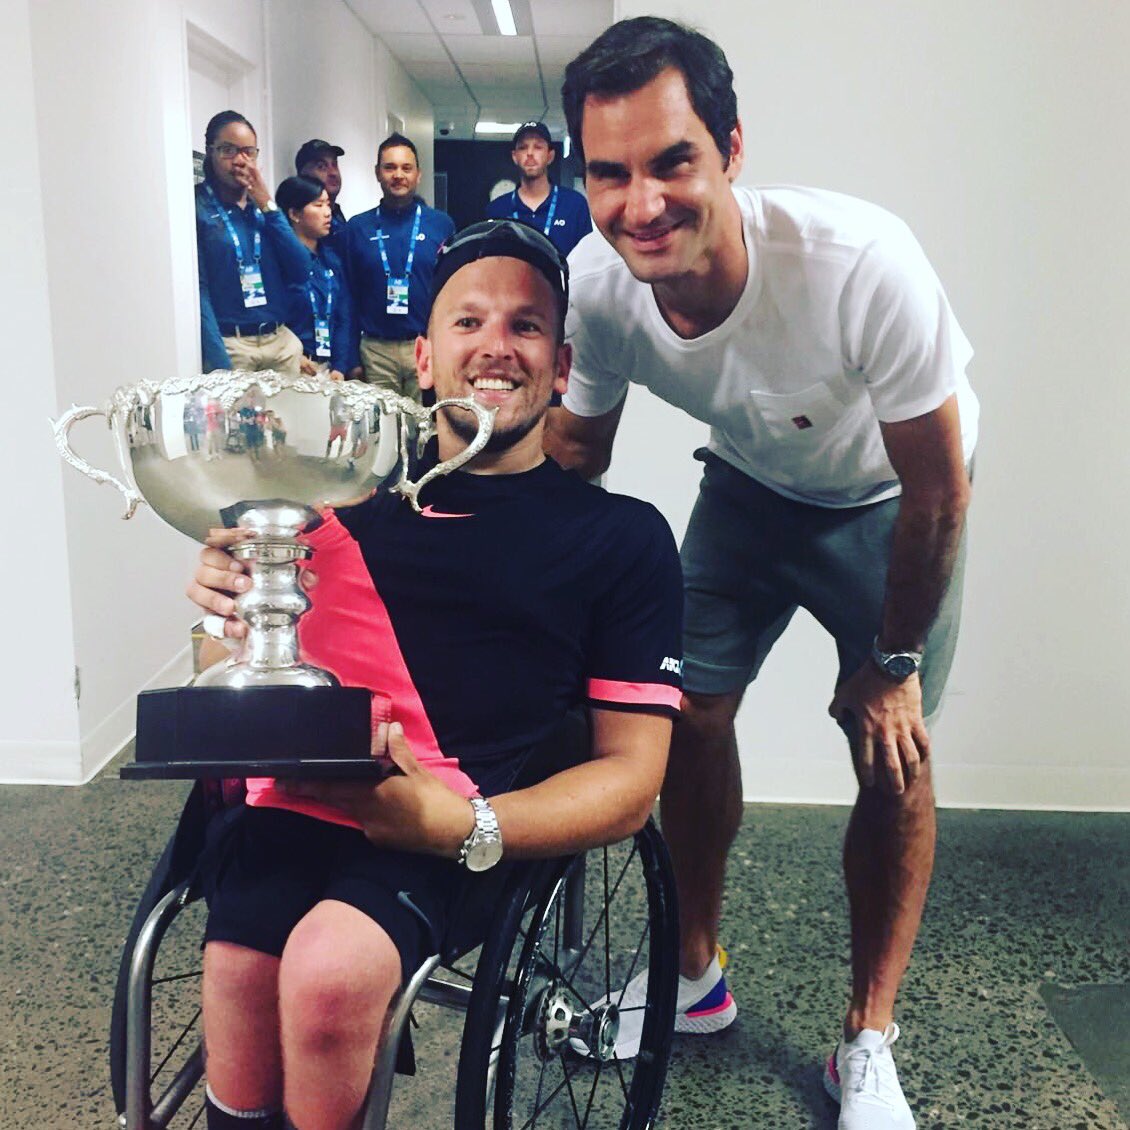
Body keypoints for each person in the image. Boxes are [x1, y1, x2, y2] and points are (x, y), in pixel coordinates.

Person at [546, 18, 978, 1130]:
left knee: (892, 751)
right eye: (609, 172)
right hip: (746, 489)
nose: (640, 203)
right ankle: (692, 976)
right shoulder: (596, 287)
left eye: (670, 161)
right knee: (679, 709)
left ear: (730, 148)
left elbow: (935, 492)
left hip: (891, 502)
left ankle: (865, 1038)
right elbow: (573, 463)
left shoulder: (858, 266)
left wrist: (888, 664)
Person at [185, 219, 683, 1130]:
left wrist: (466, 825)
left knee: (330, 973)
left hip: (464, 814)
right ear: (423, 357)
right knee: (238, 967)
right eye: (469, 322)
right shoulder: (336, 511)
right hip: (305, 797)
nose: (497, 346)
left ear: (563, 366)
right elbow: (245, 669)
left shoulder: (622, 538)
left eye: (527, 327)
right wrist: (229, 603)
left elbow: (631, 780)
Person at [195, 111, 307, 375]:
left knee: (290, 417)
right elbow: (199, 291)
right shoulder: (197, 206)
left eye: (248, 152)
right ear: (210, 152)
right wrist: (220, 362)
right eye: (227, 150)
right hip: (233, 346)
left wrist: (267, 202)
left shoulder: (265, 209)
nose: (239, 161)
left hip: (280, 343)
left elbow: (301, 270)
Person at [345, 133, 455, 399]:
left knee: (424, 428)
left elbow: (452, 291)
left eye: (406, 168)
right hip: (375, 351)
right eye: (390, 167)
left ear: (418, 174)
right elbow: (347, 297)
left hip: (425, 345)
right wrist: (349, 357)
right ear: (377, 173)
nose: (398, 175)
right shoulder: (357, 228)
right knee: (384, 432)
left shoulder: (441, 225)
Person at [272, 175, 358, 382]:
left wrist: (340, 365)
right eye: (318, 205)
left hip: (329, 368)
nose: (327, 213)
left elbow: (343, 316)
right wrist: (293, 355)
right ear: (294, 213)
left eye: (328, 204)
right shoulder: (278, 261)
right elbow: (273, 319)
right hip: (291, 365)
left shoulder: (331, 260)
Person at [486, 120, 592, 258]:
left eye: (538, 147)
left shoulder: (575, 205)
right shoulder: (497, 209)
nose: (530, 153)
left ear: (550, 156)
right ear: (514, 156)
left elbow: (587, 259)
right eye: (523, 147)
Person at [295, 138, 349, 262]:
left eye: (334, 164)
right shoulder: (301, 221)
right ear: (303, 175)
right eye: (322, 167)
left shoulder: (338, 216)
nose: (333, 173)